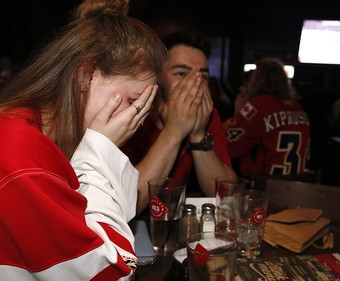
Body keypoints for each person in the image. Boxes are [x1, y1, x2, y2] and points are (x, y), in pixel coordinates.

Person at [0, 0, 167, 280]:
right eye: (133, 101)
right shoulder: (18, 153)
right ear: (86, 76)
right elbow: (113, 270)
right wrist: (102, 150)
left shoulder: (43, 134)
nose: (134, 120)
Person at [121, 30, 236, 214]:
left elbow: (225, 195)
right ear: (157, 78)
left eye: (203, 77)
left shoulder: (207, 115)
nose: (195, 84)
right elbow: (127, 201)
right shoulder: (132, 115)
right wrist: (174, 131)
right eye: (181, 74)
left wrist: (198, 135)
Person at [223, 58, 311, 180]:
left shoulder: (258, 105)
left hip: (268, 187)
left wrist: (237, 113)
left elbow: (228, 147)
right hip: (299, 186)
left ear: (257, 80)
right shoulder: (297, 106)